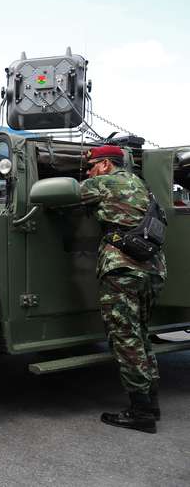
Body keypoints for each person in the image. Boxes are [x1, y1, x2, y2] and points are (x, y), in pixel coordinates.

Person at [77, 145, 167, 433]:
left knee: (125, 339)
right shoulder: (142, 185)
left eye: (91, 166)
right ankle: (151, 402)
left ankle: (141, 412)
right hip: (152, 269)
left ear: (104, 165)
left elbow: (68, 196)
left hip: (122, 269)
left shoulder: (102, 183)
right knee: (140, 334)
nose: (88, 172)